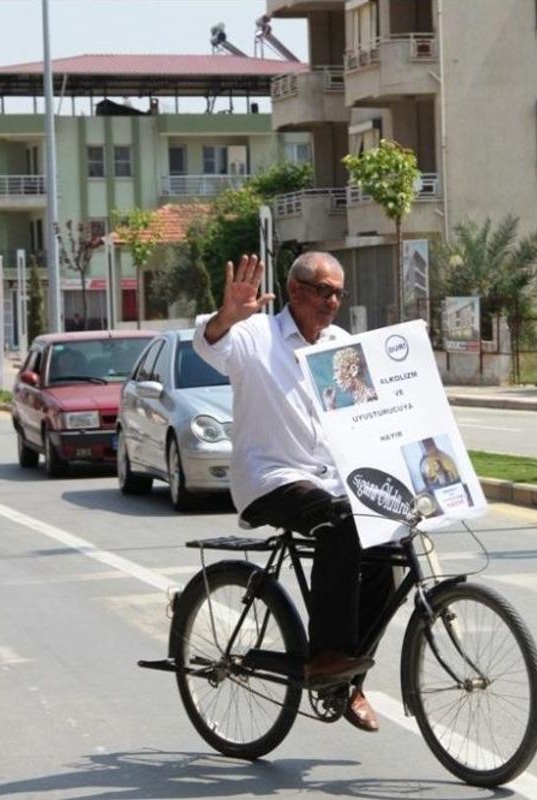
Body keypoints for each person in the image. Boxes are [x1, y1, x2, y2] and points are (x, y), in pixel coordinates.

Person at [193, 251, 393, 733]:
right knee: (339, 523)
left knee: (389, 548)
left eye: (340, 293)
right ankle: (326, 656)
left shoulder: (339, 344)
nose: (333, 301)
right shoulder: (255, 335)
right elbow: (209, 344)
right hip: (270, 479)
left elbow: (360, 417)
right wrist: (226, 315)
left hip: (327, 480)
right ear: (296, 291)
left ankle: (349, 677)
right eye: (324, 291)